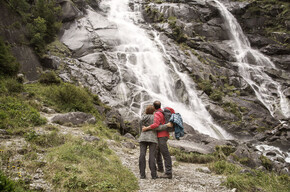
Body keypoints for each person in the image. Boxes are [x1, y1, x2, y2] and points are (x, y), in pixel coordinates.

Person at [142, 101, 173, 179]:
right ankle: (161, 168)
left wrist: (146, 128)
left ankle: (168, 173)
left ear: (154, 107)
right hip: (162, 135)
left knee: (165, 153)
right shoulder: (161, 112)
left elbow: (156, 125)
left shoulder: (157, 114)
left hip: (162, 135)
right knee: (158, 152)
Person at [138, 105, 158, 179]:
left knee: (142, 155)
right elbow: (156, 127)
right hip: (152, 138)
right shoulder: (155, 118)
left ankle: (142, 175)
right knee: (152, 156)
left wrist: (140, 135)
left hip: (143, 138)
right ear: (153, 111)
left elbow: (140, 128)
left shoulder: (142, 118)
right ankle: (154, 175)